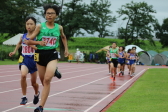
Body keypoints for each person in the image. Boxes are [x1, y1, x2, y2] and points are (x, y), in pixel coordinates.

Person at [24, 4, 68, 112]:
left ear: (56, 15)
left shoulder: (59, 27)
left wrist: (66, 49)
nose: (49, 15)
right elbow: (28, 40)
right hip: (39, 54)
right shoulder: (39, 26)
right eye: (48, 13)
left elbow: (63, 37)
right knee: (44, 82)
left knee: (48, 79)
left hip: (52, 53)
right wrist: (39, 42)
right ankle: (54, 71)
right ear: (45, 15)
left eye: (52, 13)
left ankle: (40, 107)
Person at [9, 17, 40, 105]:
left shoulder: (37, 37)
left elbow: (38, 48)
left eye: (31, 24)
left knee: (33, 83)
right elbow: (19, 43)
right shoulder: (23, 36)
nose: (29, 25)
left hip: (34, 60)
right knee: (23, 75)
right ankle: (24, 97)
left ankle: (36, 94)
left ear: (35, 26)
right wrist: (14, 51)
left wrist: (30, 44)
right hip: (24, 59)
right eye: (27, 24)